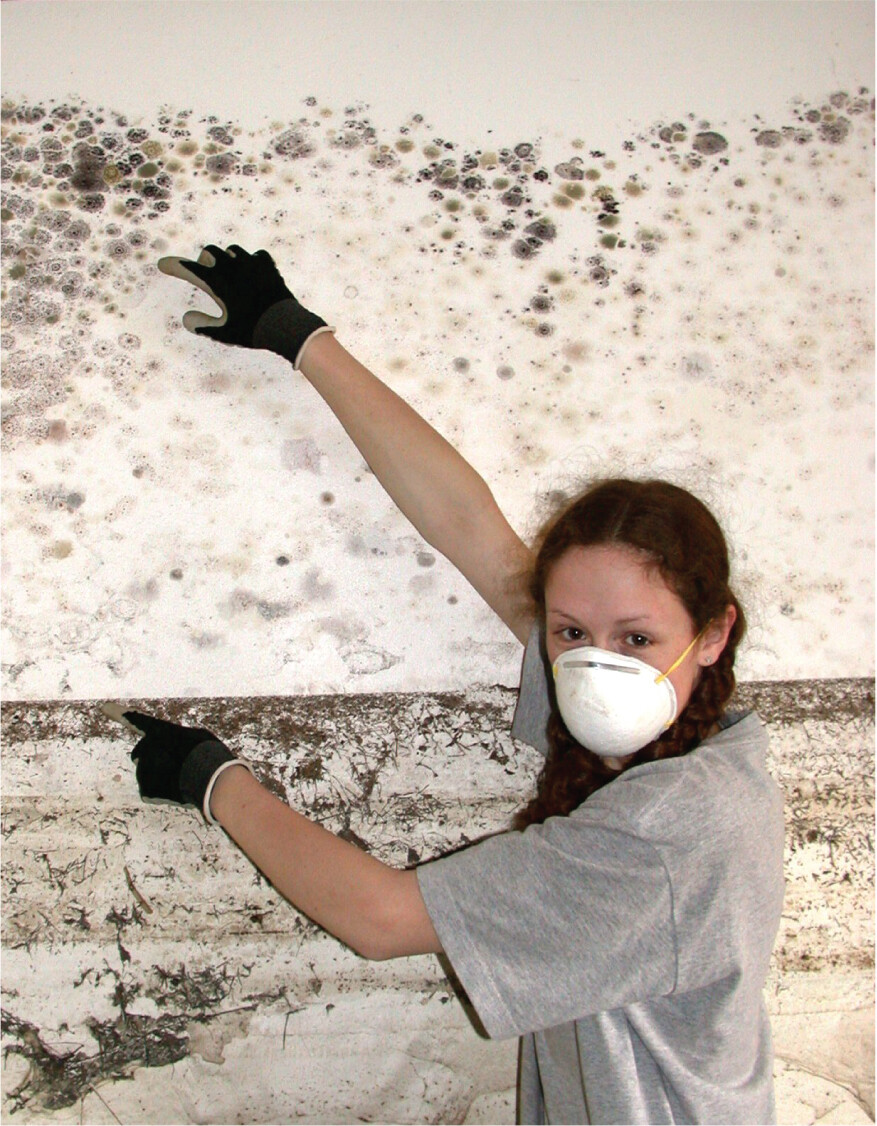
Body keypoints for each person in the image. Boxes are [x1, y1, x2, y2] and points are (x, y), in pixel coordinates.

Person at [111, 245, 785, 1125]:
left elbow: (383, 920)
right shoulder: (701, 744)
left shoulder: (669, 824)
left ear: (713, 632)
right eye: (572, 632)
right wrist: (298, 337)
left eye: (636, 637)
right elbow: (473, 529)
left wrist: (212, 781)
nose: (594, 662)